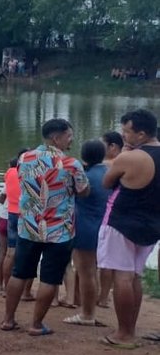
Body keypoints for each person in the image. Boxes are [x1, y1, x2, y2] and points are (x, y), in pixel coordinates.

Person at [1, 119, 89, 337]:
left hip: (29, 227)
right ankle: (36, 324)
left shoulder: (24, 158)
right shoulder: (71, 164)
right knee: (50, 278)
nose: (71, 139)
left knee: (19, 274)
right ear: (56, 138)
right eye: (69, 135)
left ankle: (8, 320)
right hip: (59, 231)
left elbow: (24, 182)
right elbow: (84, 190)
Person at [99, 109, 160, 348]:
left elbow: (106, 182)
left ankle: (124, 334)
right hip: (152, 223)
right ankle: (129, 328)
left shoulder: (131, 158)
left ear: (142, 134)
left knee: (122, 277)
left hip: (122, 221)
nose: (123, 136)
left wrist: (123, 155)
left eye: (127, 132)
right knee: (135, 275)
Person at [61, 140, 110, 327]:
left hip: (85, 228)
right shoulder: (107, 173)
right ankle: (88, 307)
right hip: (104, 227)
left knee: (86, 271)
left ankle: (87, 315)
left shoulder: (85, 176)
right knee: (93, 269)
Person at [96, 132, 124, 308]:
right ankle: (106, 296)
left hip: (105, 217)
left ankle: (102, 297)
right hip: (123, 217)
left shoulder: (108, 165)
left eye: (102, 145)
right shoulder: (133, 163)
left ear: (113, 147)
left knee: (104, 260)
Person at [0, 150, 26, 298]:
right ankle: (23, 290)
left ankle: (0, 285)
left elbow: (2, 198)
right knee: (21, 255)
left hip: (5, 217)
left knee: (5, 253)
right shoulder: (28, 175)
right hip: (20, 216)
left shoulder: (9, 174)